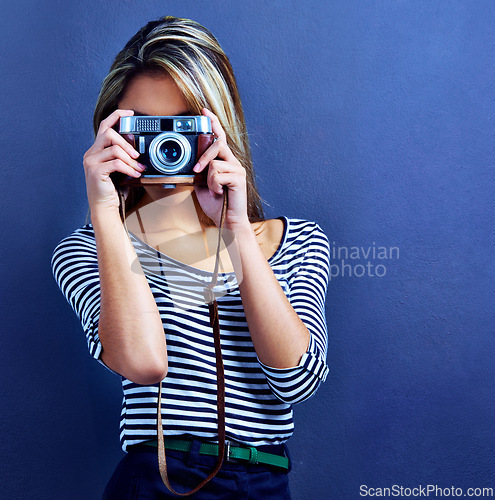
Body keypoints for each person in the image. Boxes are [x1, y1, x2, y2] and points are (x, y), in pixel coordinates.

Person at [52, 16, 330, 499]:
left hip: (264, 480)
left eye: (183, 126)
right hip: (155, 478)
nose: (166, 144)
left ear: (220, 124)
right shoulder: (85, 249)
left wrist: (237, 229)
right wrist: (105, 211)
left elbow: (295, 378)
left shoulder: (299, 241)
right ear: (111, 130)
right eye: (145, 127)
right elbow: (143, 363)